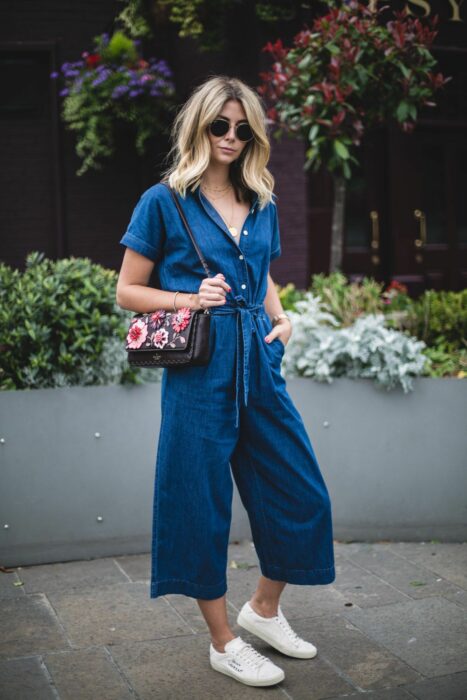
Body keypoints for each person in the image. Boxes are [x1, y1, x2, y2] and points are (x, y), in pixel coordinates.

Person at [116, 75, 335, 688]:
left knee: (301, 492)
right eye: (220, 125)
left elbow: (261, 272)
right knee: (198, 502)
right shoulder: (164, 200)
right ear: (199, 127)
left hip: (259, 365)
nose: (232, 137)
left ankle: (262, 610)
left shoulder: (262, 199)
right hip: (201, 368)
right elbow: (127, 290)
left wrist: (283, 318)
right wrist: (190, 296)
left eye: (243, 128)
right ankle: (222, 641)